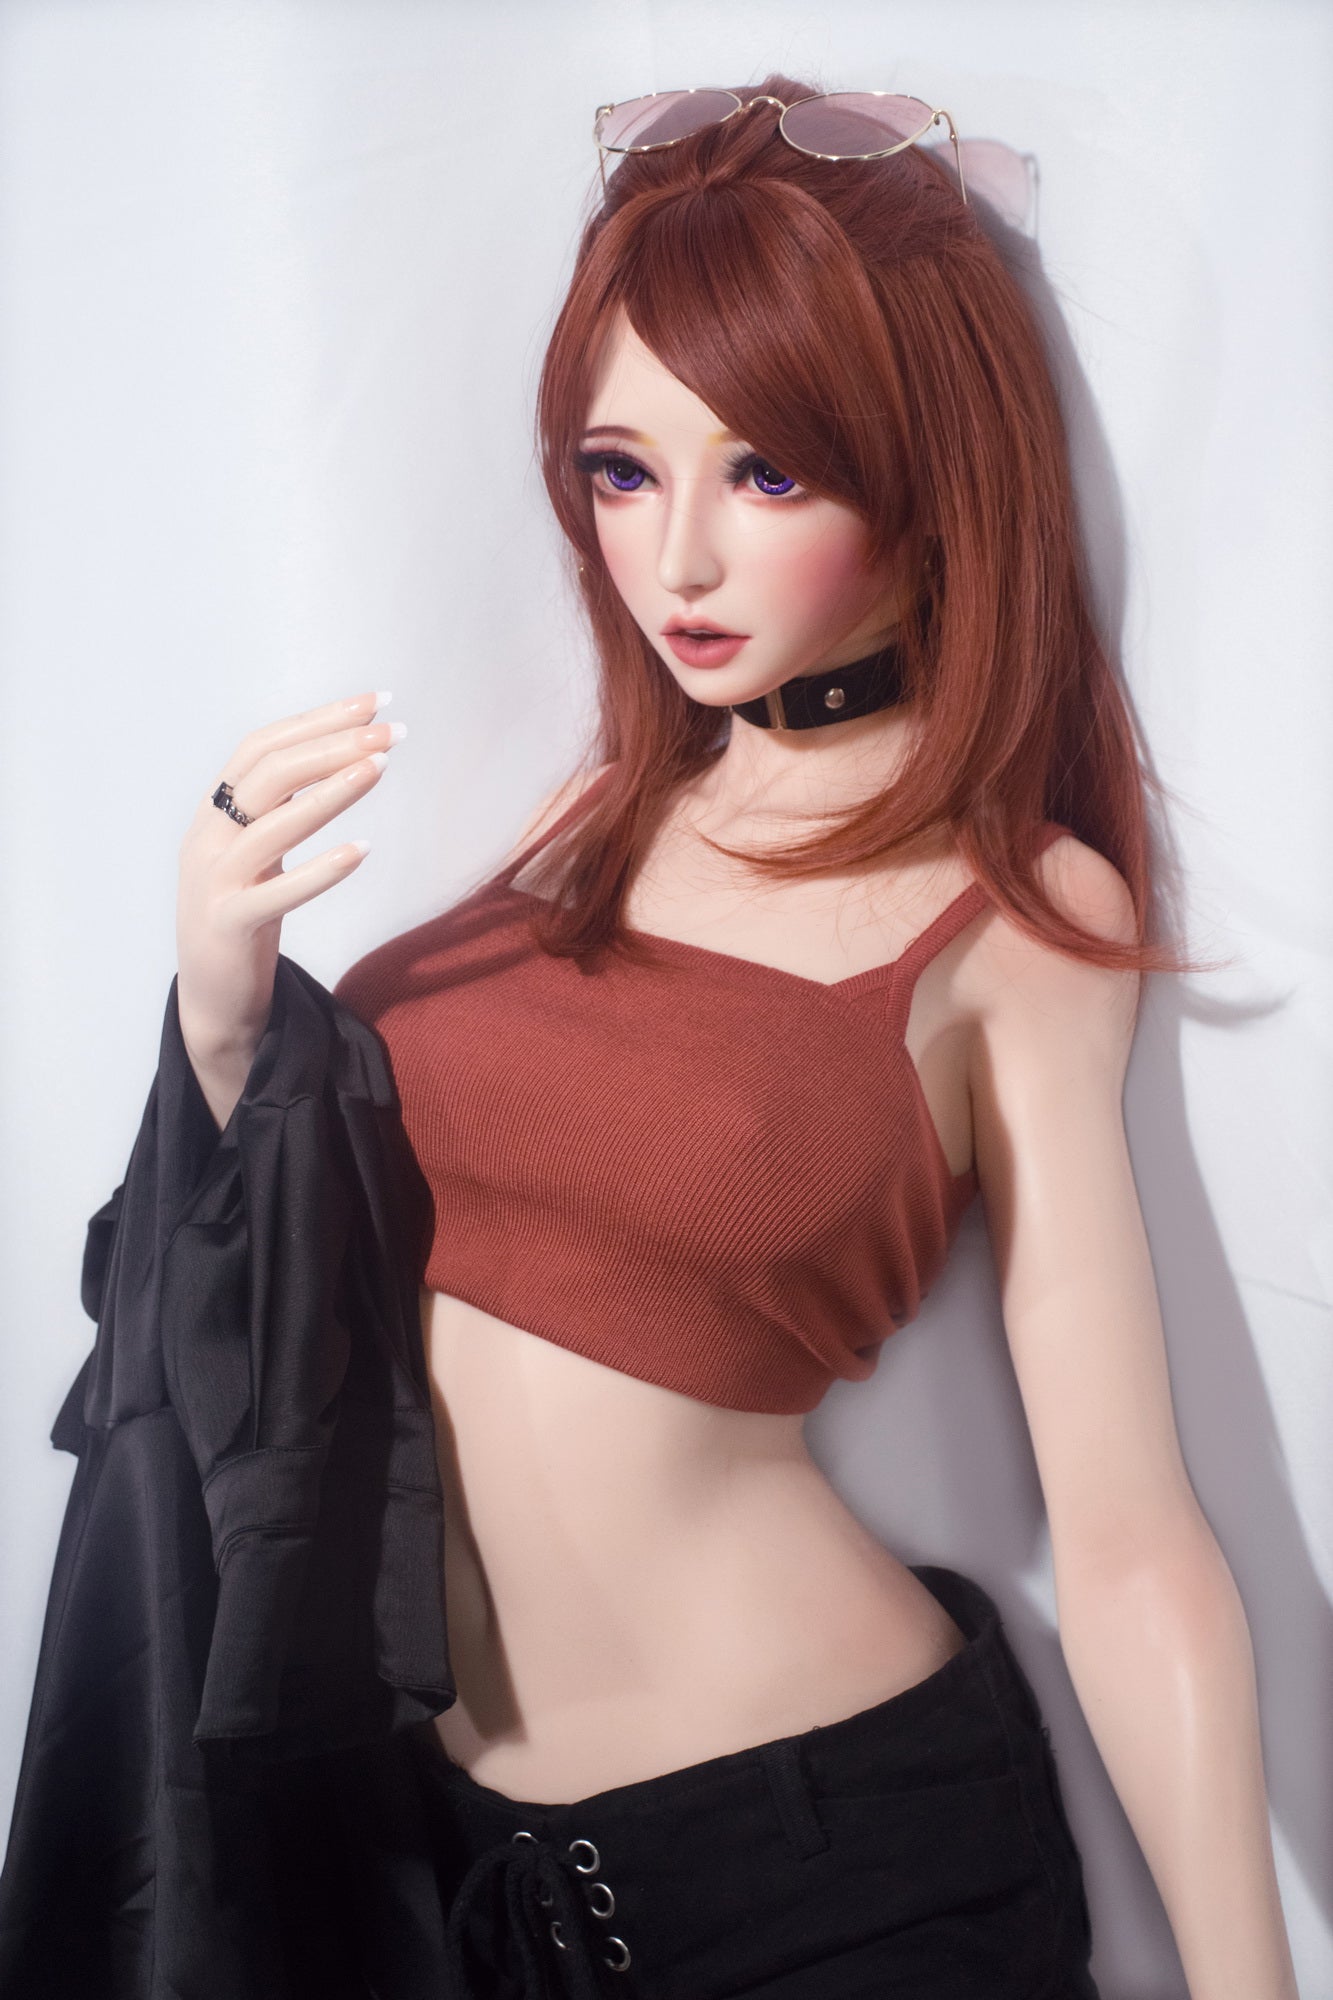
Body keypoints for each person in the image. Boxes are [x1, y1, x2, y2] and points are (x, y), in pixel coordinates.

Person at [5, 73, 1299, 2000]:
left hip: (834, 1876)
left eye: (765, 475)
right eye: (623, 471)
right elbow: (255, 1313)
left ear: (930, 478)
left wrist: (1246, 1981)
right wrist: (217, 1011)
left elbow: (1122, 1529)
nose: (675, 559)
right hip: (457, 1885)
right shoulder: (585, 823)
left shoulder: (1018, 911)